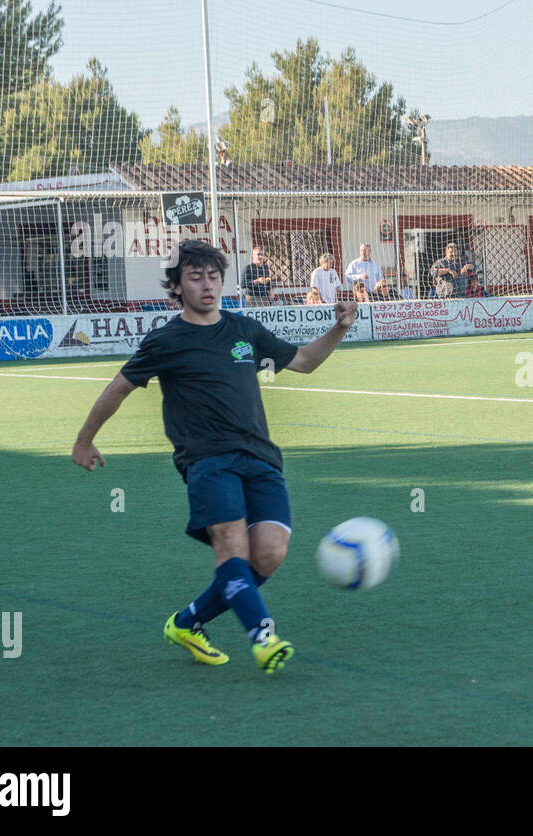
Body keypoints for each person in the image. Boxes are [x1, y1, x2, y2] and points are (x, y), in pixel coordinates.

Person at [70, 240, 357, 674]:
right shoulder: (166, 340)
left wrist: (340, 328)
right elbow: (119, 388)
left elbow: (302, 362)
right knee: (232, 546)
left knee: (269, 554)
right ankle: (263, 636)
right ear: (177, 286)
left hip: (260, 457)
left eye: (213, 276)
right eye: (195, 277)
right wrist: (84, 439)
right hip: (206, 461)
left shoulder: (245, 329)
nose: (206, 285)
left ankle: (187, 622)